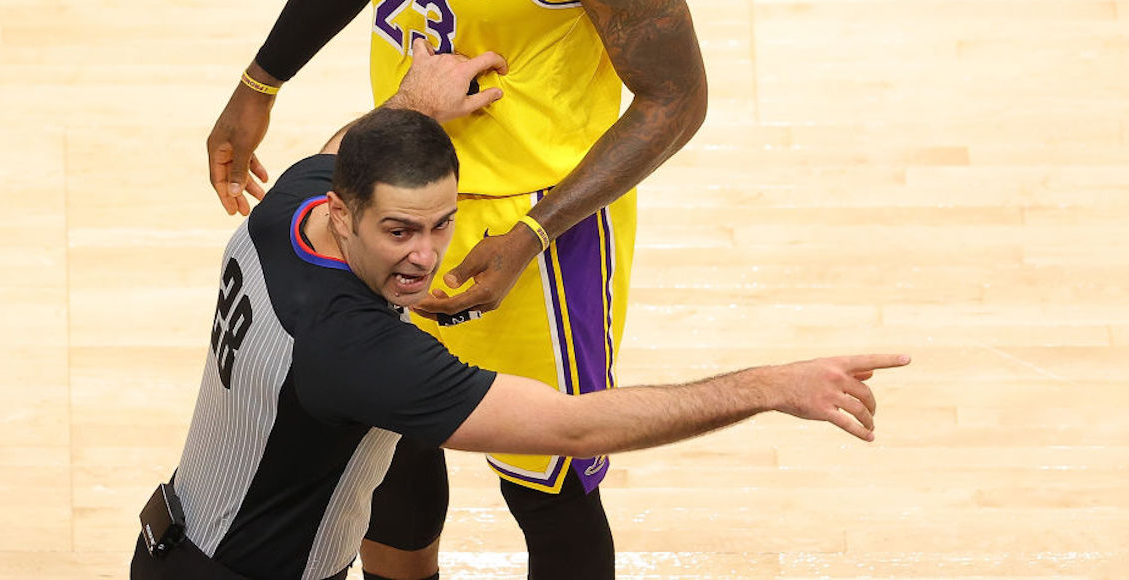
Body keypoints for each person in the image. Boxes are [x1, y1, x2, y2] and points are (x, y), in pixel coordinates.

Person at [206, 0, 709, 579]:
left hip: (537, 220)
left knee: (547, 487)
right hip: (397, 178)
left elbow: (679, 100)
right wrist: (261, 78)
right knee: (386, 450)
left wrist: (531, 234)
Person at [142, 44, 909, 580]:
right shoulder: (353, 350)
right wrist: (770, 387)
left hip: (175, 543)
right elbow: (572, 427)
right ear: (345, 216)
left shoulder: (287, 209)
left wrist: (414, 103)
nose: (425, 256)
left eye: (440, 224)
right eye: (399, 231)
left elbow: (346, 144)